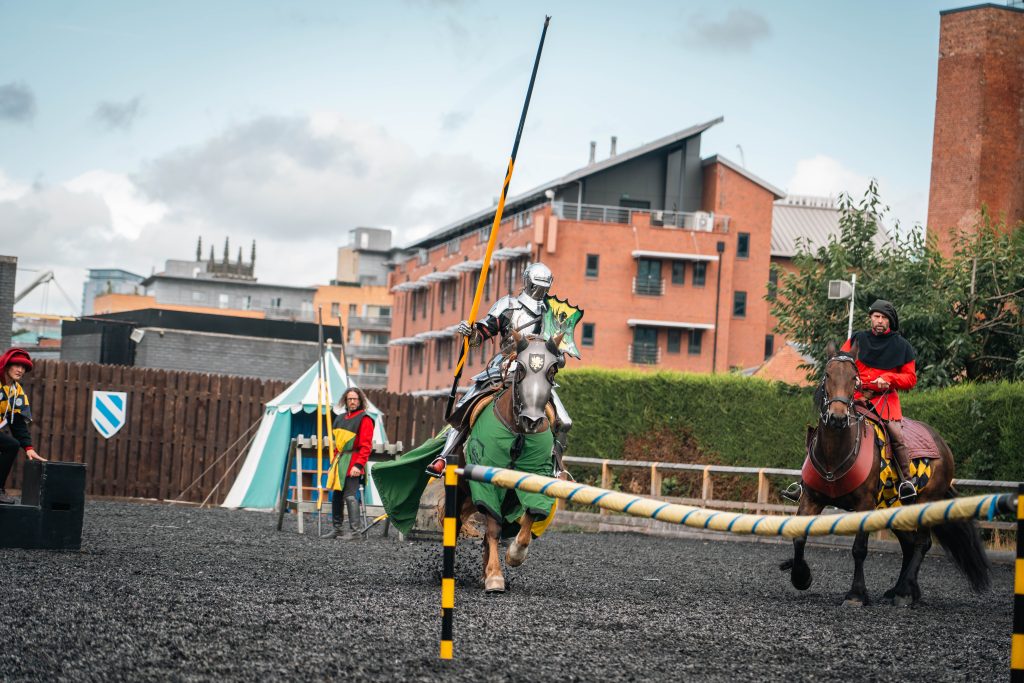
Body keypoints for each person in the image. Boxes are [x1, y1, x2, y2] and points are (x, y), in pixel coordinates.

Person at [426, 261, 572, 478]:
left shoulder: (553, 314)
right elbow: (481, 336)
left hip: (537, 372)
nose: (539, 292)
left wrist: (557, 356)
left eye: (544, 288)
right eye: (536, 286)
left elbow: (559, 360)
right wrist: (470, 332)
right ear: (527, 282)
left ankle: (554, 467)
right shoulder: (508, 305)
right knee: (465, 405)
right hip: (505, 365)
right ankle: (444, 457)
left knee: (565, 421)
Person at [840, 300, 919, 501]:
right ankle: (806, 483)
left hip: (883, 402)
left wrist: (890, 378)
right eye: (876, 316)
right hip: (855, 398)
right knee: (828, 422)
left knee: (895, 434)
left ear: (890, 321)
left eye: (884, 318)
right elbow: (842, 361)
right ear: (870, 318)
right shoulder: (857, 339)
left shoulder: (902, 346)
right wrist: (852, 376)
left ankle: (907, 482)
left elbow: (910, 379)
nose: (880, 321)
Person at [321, 387, 374, 540]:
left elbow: (366, 446)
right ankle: (337, 529)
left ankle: (356, 533)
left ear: (360, 401)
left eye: (355, 399)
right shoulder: (339, 419)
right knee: (337, 495)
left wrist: (358, 465)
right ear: (345, 400)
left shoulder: (365, 419)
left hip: (354, 461)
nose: (352, 401)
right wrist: (333, 464)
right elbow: (338, 446)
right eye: (349, 399)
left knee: (350, 496)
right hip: (340, 462)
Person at [0, 348, 47, 504]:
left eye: (24, 367)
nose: (20, 370)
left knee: (12, 445)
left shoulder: (16, 391)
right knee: (10, 444)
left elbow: (17, 423)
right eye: (16, 365)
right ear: (7, 365)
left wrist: (28, 447)